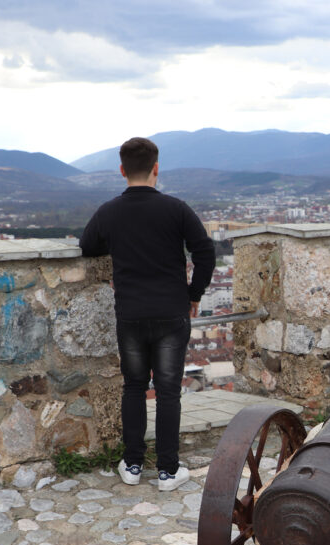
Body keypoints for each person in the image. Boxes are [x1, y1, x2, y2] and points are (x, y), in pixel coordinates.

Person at [79, 137, 215, 491]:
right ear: (157, 168)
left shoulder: (109, 211)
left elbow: (87, 246)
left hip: (132, 314)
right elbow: (205, 252)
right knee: (169, 392)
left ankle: (134, 464)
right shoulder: (177, 209)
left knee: (134, 388)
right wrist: (194, 294)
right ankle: (169, 471)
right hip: (172, 311)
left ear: (122, 170)